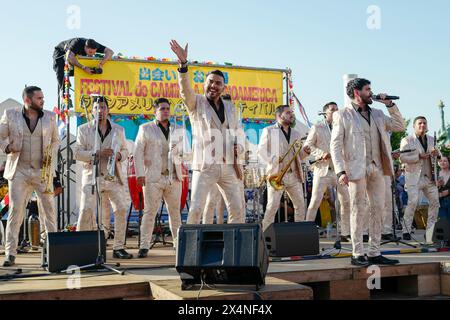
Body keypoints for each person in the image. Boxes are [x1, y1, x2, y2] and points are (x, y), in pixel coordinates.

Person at [330, 78, 405, 266]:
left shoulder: (379, 114)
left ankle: (374, 251)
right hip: (355, 169)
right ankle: (357, 253)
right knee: (358, 209)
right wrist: (340, 171)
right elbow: (335, 145)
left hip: (378, 167)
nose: (371, 92)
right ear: (357, 93)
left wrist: (390, 105)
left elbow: (400, 126)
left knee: (379, 209)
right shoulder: (342, 115)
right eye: (367, 89)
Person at [170, 40, 246, 224]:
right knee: (196, 208)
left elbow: (238, 133)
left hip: (228, 165)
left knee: (237, 208)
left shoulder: (230, 107)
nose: (214, 85)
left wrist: (239, 148)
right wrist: (183, 65)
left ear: (223, 88)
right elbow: (184, 89)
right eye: (211, 82)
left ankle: (233, 248)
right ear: (204, 84)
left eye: (218, 83)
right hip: (205, 166)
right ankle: (191, 251)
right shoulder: (195, 103)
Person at [0, 86, 60, 267]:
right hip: (19, 170)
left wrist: (50, 155)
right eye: (39, 98)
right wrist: (7, 148)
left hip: (43, 171)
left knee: (49, 211)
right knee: (16, 211)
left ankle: (53, 252)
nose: (43, 100)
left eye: (43, 97)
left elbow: (56, 140)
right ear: (28, 100)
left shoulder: (50, 117)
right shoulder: (10, 114)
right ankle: (10, 253)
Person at [74, 96, 132, 259]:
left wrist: (119, 155)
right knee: (86, 210)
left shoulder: (119, 129)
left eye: (103, 107)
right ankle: (81, 247)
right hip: (92, 176)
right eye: (97, 108)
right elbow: (77, 153)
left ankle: (118, 247)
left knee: (120, 208)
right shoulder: (84, 129)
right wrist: (97, 153)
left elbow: (126, 151)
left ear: (108, 109)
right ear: (92, 111)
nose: (100, 111)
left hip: (113, 176)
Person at [134, 98, 183, 258]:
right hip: (152, 177)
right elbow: (138, 152)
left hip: (173, 177)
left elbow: (186, 153)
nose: (166, 111)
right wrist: (140, 173)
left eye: (168, 108)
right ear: (155, 111)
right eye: (162, 108)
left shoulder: (178, 129)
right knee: (149, 212)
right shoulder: (145, 128)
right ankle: (144, 246)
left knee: (175, 212)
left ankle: (178, 244)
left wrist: (179, 154)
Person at [258, 105, 311, 232]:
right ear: (279, 115)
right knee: (272, 206)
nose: (292, 114)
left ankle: (299, 233)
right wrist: (273, 161)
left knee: (300, 205)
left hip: (293, 175)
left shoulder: (297, 133)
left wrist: (305, 152)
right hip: (276, 175)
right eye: (288, 112)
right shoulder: (269, 130)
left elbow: (298, 157)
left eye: (292, 112)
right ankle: (265, 235)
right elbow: (261, 152)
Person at [304, 102, 351, 242]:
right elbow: (307, 145)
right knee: (315, 202)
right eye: (332, 110)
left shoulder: (343, 126)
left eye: (337, 109)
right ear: (325, 113)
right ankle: (307, 231)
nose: (336, 111)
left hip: (340, 170)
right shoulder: (317, 127)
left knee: (346, 201)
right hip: (322, 169)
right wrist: (320, 153)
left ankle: (345, 232)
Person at [400, 116, 441, 244]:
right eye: (420, 123)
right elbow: (402, 158)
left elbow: (440, 156)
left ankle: (430, 231)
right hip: (414, 177)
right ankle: (406, 230)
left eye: (424, 123)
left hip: (429, 177)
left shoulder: (432, 139)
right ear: (414, 126)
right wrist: (418, 156)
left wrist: (437, 155)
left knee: (435, 202)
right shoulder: (406, 139)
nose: (422, 125)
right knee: (412, 202)